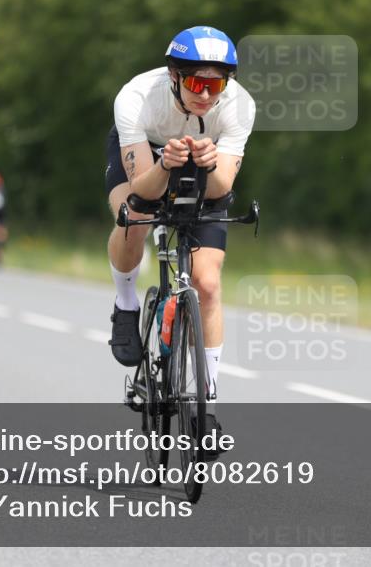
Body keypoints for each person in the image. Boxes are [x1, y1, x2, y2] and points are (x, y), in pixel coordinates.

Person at [105, 26, 255, 444]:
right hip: (148, 155)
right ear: (174, 76)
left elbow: (222, 185)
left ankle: (206, 402)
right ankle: (126, 302)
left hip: (203, 161)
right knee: (131, 215)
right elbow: (142, 190)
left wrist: (208, 166)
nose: (206, 95)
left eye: (216, 84)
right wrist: (166, 165)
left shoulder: (239, 107)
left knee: (207, 282)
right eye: (195, 83)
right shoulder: (135, 97)